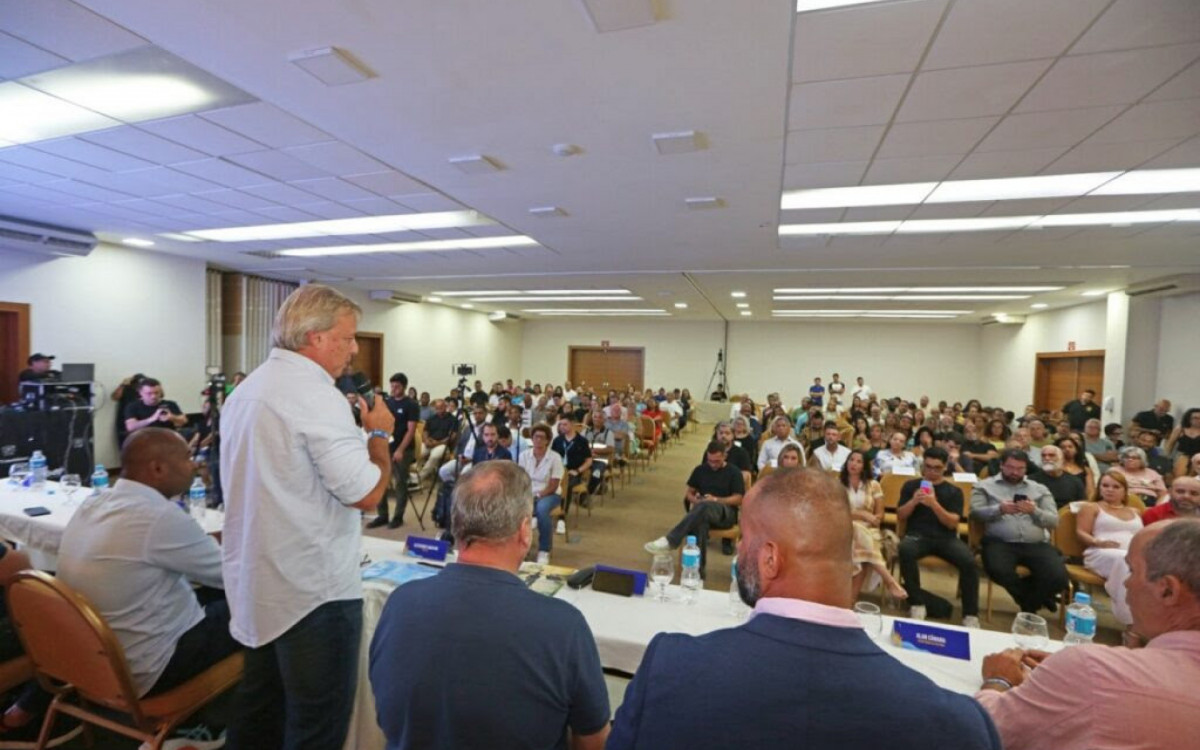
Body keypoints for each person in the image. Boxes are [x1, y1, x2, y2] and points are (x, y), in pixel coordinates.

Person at [611, 468, 1001, 750]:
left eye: (745, 538)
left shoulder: (669, 666)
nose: (739, 550)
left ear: (769, 559)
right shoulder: (958, 726)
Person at [219, 284, 395, 750]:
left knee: (260, 716)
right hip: (313, 595)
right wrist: (379, 436)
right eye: (348, 337)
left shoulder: (246, 390)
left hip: (258, 585)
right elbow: (367, 493)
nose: (355, 348)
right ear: (315, 338)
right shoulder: (317, 398)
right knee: (315, 728)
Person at [369, 462, 609, 750]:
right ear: (524, 531)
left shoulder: (400, 603)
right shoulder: (564, 627)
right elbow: (594, 742)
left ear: (456, 525)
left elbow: (387, 715)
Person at [975, 519, 1200, 750]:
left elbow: (982, 730)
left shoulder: (1093, 670)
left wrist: (998, 680)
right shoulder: (1095, 674)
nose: (1126, 583)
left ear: (1167, 590)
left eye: (1131, 570)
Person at [59, 428, 240, 700]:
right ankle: (228, 718)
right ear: (157, 468)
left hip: (97, 658)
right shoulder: (159, 517)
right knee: (263, 607)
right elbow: (233, 576)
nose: (194, 466)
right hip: (152, 665)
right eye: (188, 457)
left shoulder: (96, 501)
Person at [970, 449, 1067, 616]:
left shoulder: (1040, 489)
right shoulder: (984, 486)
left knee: (1058, 577)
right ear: (1001, 465)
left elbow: (1054, 521)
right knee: (998, 570)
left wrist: (1034, 511)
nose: (1014, 472)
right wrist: (999, 509)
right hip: (999, 542)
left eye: (1020, 468)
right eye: (1010, 467)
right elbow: (975, 514)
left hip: (1035, 544)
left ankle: (1028, 602)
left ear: (1026, 469)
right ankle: (1033, 603)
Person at [895, 447, 980, 626]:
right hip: (917, 535)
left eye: (937, 468)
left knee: (969, 562)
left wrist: (934, 504)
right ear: (923, 465)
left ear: (945, 468)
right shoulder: (911, 486)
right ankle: (917, 604)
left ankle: (970, 614)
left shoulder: (954, 491)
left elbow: (952, 523)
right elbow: (901, 516)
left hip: (946, 538)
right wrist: (913, 501)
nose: (932, 472)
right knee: (905, 550)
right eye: (928, 466)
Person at [643, 441, 744, 577]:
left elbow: (739, 499)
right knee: (699, 523)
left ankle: (671, 540)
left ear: (725, 456)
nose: (713, 464)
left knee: (704, 507)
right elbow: (689, 493)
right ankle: (697, 573)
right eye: (710, 461)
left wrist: (715, 500)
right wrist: (696, 500)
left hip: (725, 513)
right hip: (703, 511)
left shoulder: (734, 472)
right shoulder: (700, 470)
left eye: (717, 461)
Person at [1076, 470, 1143, 625]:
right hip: (1100, 552)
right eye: (1105, 485)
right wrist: (1097, 542)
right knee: (1124, 561)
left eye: (1115, 486)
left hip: (1132, 555)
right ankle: (1130, 623)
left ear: (1125, 491)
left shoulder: (1135, 511)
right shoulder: (1091, 507)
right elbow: (1080, 532)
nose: (1109, 489)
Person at [368, 373, 420, 529]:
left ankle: (398, 517)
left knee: (400, 484)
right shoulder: (387, 402)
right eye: (392, 386)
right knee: (381, 481)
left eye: (397, 386)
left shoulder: (411, 404)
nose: (393, 389)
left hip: (402, 449)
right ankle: (382, 515)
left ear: (403, 387)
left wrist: (400, 450)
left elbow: (411, 430)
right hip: (385, 447)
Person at [519, 424, 564, 564]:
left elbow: (554, 484)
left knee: (542, 509)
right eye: (536, 437)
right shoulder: (524, 455)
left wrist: (538, 495)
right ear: (532, 439)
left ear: (547, 440)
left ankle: (544, 550)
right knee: (514, 510)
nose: (538, 440)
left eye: (542, 437)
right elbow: (520, 479)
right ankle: (520, 548)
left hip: (550, 494)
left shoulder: (555, 457)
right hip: (528, 493)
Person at [1028, 445, 1086, 509]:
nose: (1047, 458)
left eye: (1051, 455)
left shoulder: (1075, 481)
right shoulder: (1031, 481)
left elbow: (1082, 506)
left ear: (1062, 459)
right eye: (1043, 455)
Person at [552, 417, 593, 507]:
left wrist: (578, 471)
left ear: (572, 424)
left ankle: (562, 512)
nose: (562, 427)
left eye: (565, 424)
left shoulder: (582, 441)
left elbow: (589, 461)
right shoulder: (557, 440)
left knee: (567, 485)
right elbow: (552, 457)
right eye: (560, 424)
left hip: (575, 473)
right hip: (559, 471)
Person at [123, 378, 188, 434]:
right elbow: (130, 427)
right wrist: (151, 419)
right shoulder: (132, 406)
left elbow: (184, 420)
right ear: (140, 393)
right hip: (143, 440)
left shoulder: (170, 404)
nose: (153, 396)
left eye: (156, 393)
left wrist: (172, 417)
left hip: (168, 439)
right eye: (149, 393)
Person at [416, 399, 457, 483]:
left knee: (434, 456)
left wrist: (437, 443)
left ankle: (419, 477)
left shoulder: (453, 420)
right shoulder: (432, 418)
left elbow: (451, 437)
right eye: (437, 408)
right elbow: (425, 431)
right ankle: (414, 474)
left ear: (446, 407)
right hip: (430, 442)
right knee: (418, 453)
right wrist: (426, 440)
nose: (439, 410)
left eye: (441, 407)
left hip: (443, 445)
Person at [1165, 408, 1200, 477]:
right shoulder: (1180, 428)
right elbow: (1170, 444)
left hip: (1198, 458)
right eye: (1195, 418)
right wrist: (1166, 459)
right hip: (1182, 456)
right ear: (1189, 418)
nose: (1198, 420)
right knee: (1178, 477)